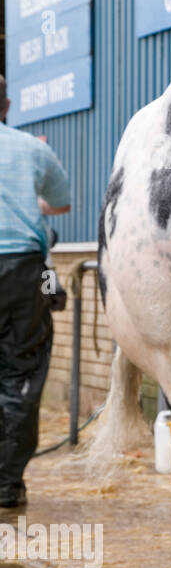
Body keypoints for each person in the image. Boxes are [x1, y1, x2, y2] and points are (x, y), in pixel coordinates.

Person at [0, 76, 71, 507]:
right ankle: (7, 486)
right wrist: (28, 203)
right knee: (20, 375)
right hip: (25, 272)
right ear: (6, 105)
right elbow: (59, 205)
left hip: (29, 267)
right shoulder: (31, 149)